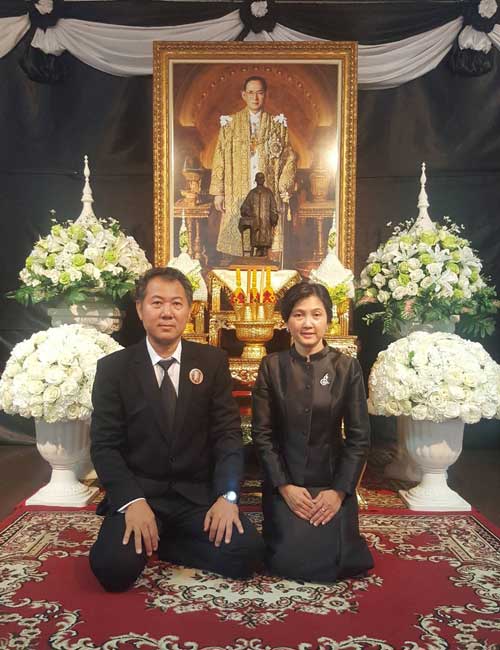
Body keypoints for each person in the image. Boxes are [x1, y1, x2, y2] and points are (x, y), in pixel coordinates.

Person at [89, 267, 264, 591]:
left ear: (189, 310)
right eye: (157, 303)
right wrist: (131, 501)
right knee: (113, 570)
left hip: (195, 497)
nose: (167, 312)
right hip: (141, 494)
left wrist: (227, 497)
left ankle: (164, 543)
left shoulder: (211, 361)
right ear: (140, 309)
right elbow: (104, 446)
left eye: (176, 303)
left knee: (249, 553)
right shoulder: (114, 369)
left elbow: (228, 436)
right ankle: (155, 534)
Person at [251, 281, 373, 582]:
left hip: (331, 483)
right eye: (299, 314)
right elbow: (262, 434)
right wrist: (284, 487)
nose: (307, 323)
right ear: (286, 321)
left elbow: (359, 438)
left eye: (316, 314)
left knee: (340, 562)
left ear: (328, 319)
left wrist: (339, 492)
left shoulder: (347, 368)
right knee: (286, 561)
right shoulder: (271, 366)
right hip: (287, 484)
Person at [209, 75, 296, 257]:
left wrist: (284, 186)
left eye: (259, 93)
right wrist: (218, 192)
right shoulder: (230, 125)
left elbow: (288, 157)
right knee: (242, 233)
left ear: (265, 95)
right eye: (250, 93)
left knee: (265, 233)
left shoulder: (277, 125)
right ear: (243, 95)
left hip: (266, 189)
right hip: (238, 188)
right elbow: (219, 158)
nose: (255, 98)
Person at [239, 172, 279, 256]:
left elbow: (273, 207)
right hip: (255, 222)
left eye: (262, 178)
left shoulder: (268, 193)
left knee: (265, 239)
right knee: (256, 238)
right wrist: (250, 214)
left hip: (266, 221)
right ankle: (258, 251)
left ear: (264, 180)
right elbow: (244, 207)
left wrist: (274, 218)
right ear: (256, 180)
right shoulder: (252, 193)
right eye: (258, 178)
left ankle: (264, 251)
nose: (260, 180)